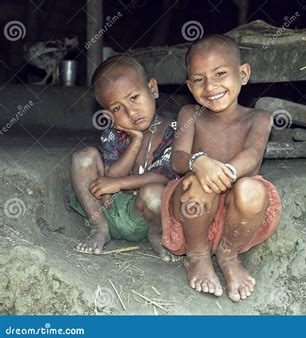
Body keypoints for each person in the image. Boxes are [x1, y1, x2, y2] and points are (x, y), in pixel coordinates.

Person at [161, 35, 282, 302]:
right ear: (190, 87)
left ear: (243, 74)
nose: (210, 86)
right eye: (199, 79)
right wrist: (199, 162)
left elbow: (252, 154)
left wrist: (225, 173)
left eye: (220, 74)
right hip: (194, 212)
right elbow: (177, 157)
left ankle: (228, 254)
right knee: (198, 183)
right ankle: (198, 255)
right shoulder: (189, 114)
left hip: (236, 215)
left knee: (252, 190)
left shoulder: (259, 117)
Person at [65, 55, 179, 260]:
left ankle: (157, 236)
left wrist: (117, 184)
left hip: (150, 214)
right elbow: (111, 174)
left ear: (152, 89)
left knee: (155, 193)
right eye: (117, 108)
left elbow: (164, 177)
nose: (131, 112)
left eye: (134, 97)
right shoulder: (114, 133)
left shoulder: (174, 131)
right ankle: (99, 228)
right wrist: (134, 142)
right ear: (108, 114)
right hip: (108, 210)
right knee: (83, 157)